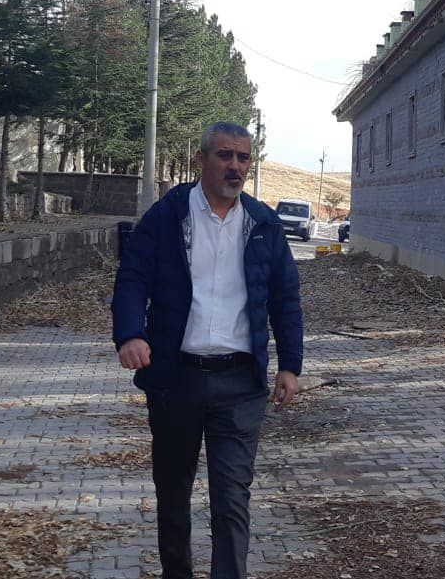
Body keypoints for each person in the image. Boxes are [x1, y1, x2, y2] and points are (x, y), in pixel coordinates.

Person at [112, 121, 303, 579]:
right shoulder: (167, 215)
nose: (235, 166)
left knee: (232, 497)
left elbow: (285, 298)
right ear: (202, 159)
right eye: (224, 155)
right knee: (173, 494)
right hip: (175, 379)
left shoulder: (263, 223)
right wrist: (130, 334)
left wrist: (290, 365)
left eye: (243, 157)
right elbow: (133, 277)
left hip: (240, 384)